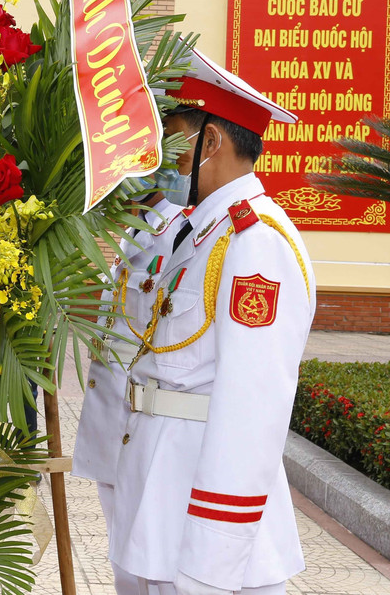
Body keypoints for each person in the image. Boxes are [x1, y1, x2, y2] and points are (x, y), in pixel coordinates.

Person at [110, 47, 316, 595]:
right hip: (160, 481)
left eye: (176, 139)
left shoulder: (256, 244)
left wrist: (216, 547)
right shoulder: (196, 232)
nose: (166, 158)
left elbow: (255, 403)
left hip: (202, 503)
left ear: (213, 141)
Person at [71, 191, 183, 595]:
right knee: (124, 561)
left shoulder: (178, 229)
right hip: (113, 423)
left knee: (154, 567)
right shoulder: (133, 229)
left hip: (143, 424)